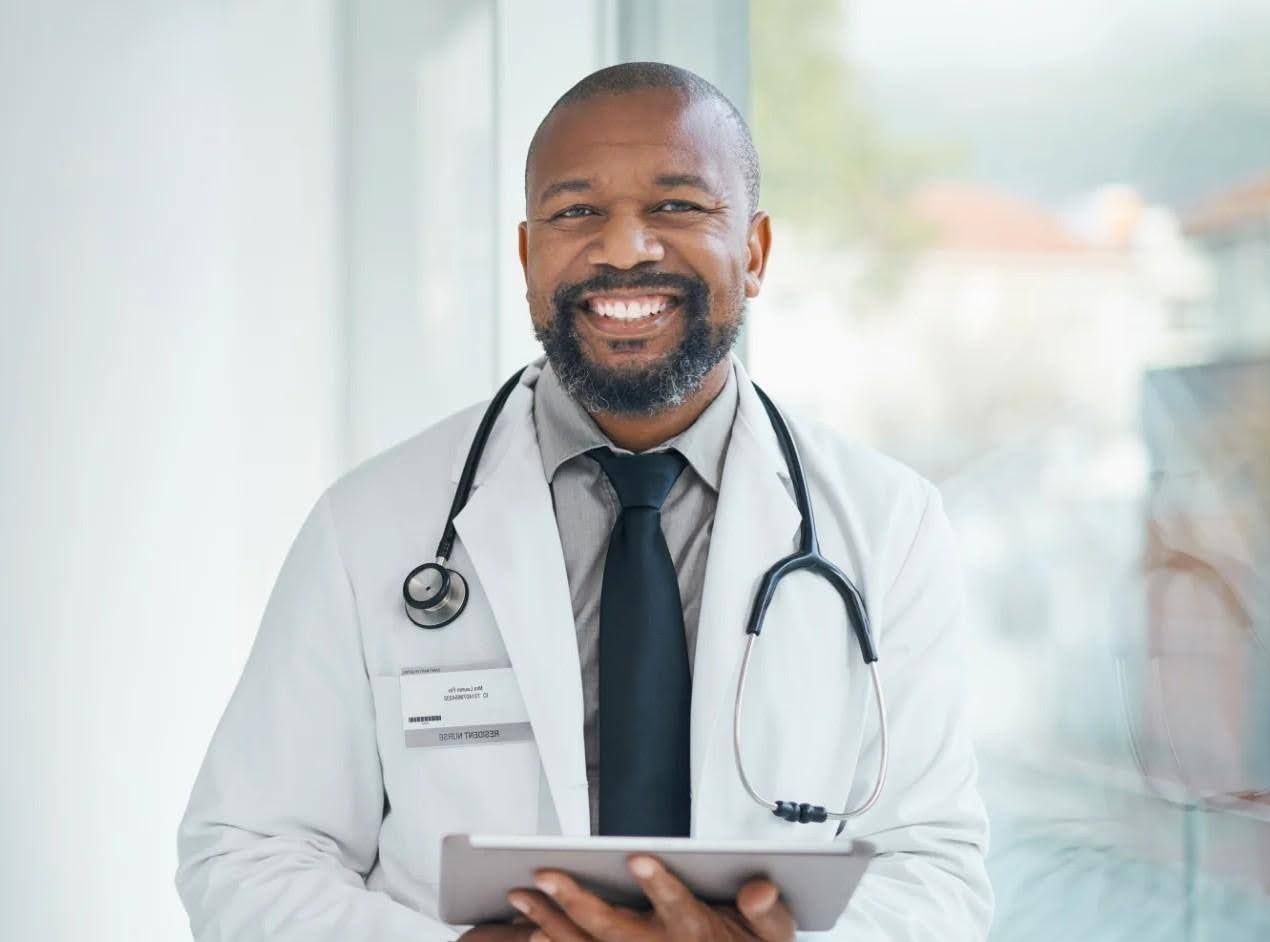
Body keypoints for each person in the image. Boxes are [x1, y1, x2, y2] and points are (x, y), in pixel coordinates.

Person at [176, 62, 993, 941]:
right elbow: (246, 853)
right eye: (575, 213)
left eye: (676, 206)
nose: (624, 248)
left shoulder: (888, 524)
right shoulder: (369, 525)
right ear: (528, 259)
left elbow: (933, 868)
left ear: (753, 254)